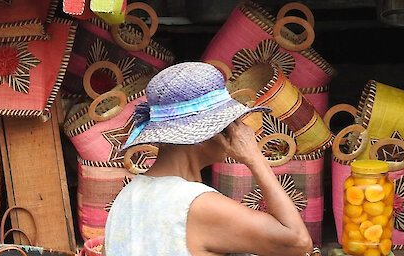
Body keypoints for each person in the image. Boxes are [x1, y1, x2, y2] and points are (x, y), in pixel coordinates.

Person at [105, 62, 315, 256]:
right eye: (231, 124)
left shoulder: (126, 197)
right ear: (205, 134)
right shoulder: (195, 203)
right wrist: (255, 158)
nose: (241, 131)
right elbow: (297, 242)